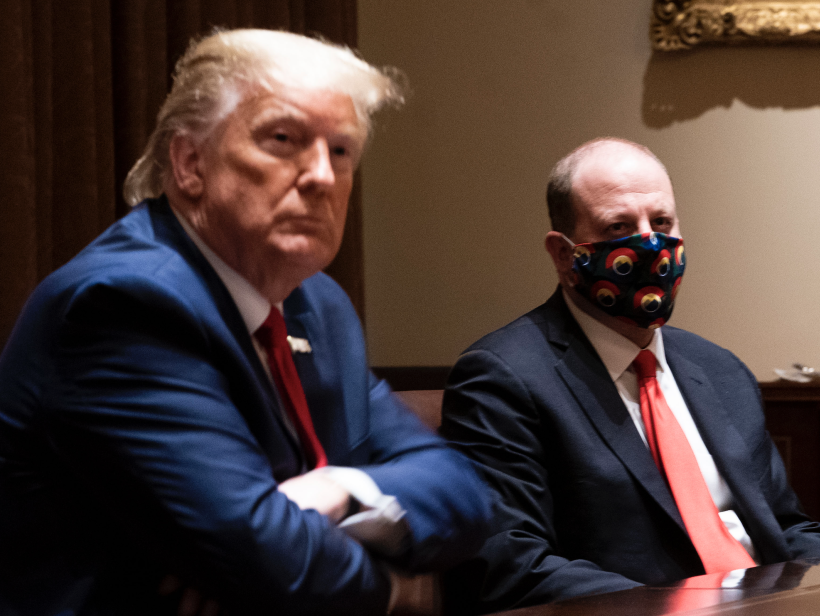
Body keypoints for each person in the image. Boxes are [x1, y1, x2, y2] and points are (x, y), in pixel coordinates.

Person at [0, 29, 489, 616]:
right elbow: (271, 563)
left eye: (341, 150)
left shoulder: (318, 305)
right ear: (189, 163)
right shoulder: (125, 304)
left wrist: (339, 489)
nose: (322, 177)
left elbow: (462, 491)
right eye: (283, 140)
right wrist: (405, 588)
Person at [440, 138, 820, 615]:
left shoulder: (720, 369)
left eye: (662, 222)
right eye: (619, 226)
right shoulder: (503, 376)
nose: (651, 244)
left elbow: (789, 527)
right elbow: (512, 563)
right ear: (564, 255)